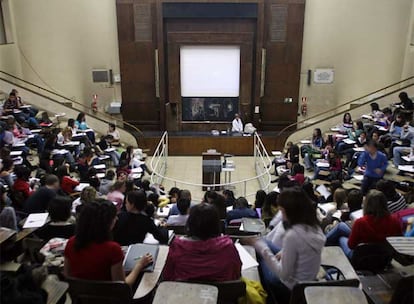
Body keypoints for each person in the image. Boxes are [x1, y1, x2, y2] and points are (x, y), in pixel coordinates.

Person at [244, 187, 326, 303]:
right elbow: (304, 247)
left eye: (282, 211)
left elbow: (283, 275)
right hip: (308, 276)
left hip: (291, 285)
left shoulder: (293, 235)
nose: (281, 215)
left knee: (261, 254)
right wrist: (282, 252)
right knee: (263, 241)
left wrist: (262, 249)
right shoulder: (314, 226)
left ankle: (269, 298)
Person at [64, 200, 153, 286]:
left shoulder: (71, 242)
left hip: (80, 296)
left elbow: (67, 276)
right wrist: (139, 265)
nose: (117, 218)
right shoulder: (113, 249)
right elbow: (123, 286)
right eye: (114, 216)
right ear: (107, 222)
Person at [163, 203, 241, 281]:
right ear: (216, 224)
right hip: (223, 292)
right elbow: (236, 273)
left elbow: (168, 276)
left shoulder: (177, 246)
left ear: (190, 223)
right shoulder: (228, 246)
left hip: (185, 291)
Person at [326, 190, 402, 259]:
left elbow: (351, 245)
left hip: (360, 257)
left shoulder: (361, 222)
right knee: (341, 226)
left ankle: (323, 245)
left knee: (340, 237)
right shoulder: (395, 220)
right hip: (384, 256)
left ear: (367, 204)